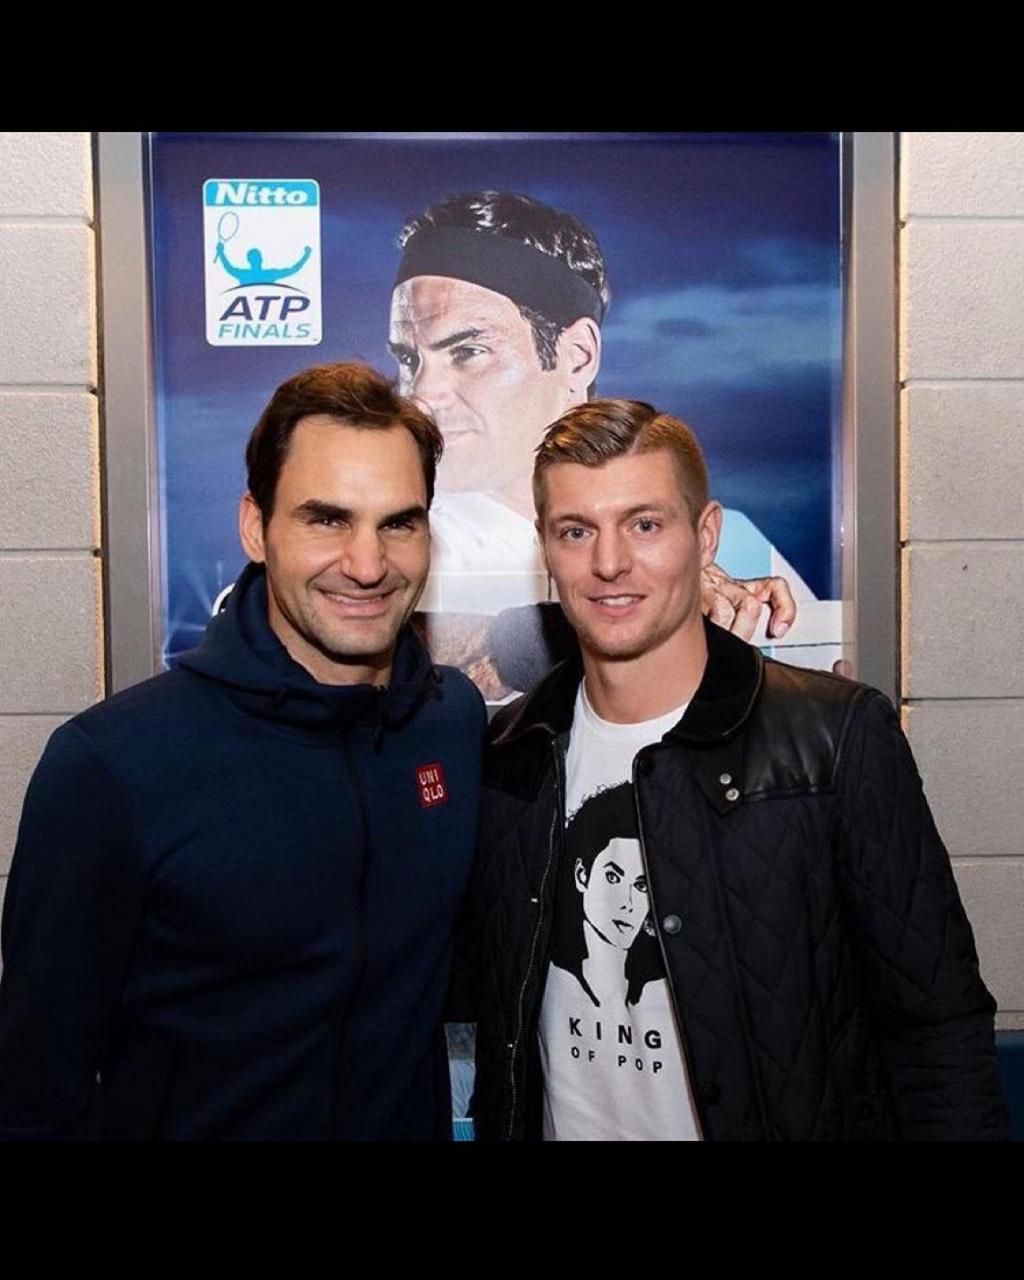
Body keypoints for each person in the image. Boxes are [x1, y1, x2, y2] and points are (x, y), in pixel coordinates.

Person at [460, 397, 1007, 1141]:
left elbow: (937, 1029)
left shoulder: (835, 740)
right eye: (576, 530)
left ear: (705, 533)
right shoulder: (510, 757)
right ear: (545, 549)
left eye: (645, 524)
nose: (610, 561)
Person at [0, 362, 486, 1141]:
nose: (367, 564)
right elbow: (34, 1093)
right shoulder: (111, 767)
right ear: (256, 527)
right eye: (326, 519)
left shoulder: (451, 723)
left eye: (399, 522)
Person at [388, 191, 825, 695]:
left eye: (467, 351)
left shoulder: (739, 549)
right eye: (407, 357)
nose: (421, 392)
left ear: (576, 356)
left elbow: (808, 685)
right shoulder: (397, 542)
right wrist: (649, 610)